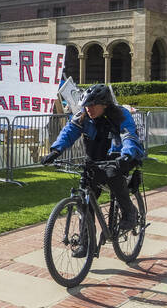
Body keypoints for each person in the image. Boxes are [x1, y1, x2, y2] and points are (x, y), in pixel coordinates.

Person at [40, 83, 145, 254]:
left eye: (92, 105)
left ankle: (129, 213)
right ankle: (85, 243)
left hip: (119, 154)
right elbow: (69, 131)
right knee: (84, 202)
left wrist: (127, 155)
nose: (88, 109)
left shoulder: (120, 114)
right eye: (86, 105)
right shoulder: (83, 117)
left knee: (114, 176)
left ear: (105, 104)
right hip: (94, 158)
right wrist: (55, 151)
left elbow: (128, 135)